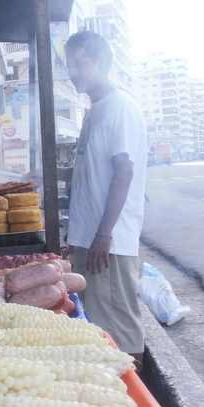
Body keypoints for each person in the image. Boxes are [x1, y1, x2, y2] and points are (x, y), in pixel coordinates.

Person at [65, 31, 147, 360]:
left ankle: (136, 397)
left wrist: (103, 234)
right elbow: (91, 180)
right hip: (90, 240)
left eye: (80, 63)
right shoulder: (94, 110)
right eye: (69, 64)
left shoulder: (121, 108)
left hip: (108, 243)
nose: (72, 72)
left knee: (119, 328)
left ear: (101, 63)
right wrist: (77, 237)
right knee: (98, 325)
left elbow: (123, 172)